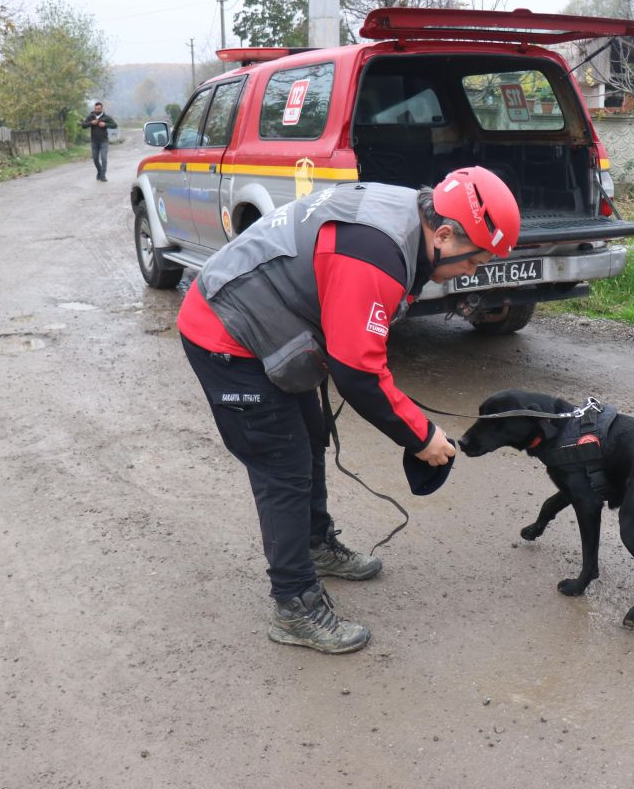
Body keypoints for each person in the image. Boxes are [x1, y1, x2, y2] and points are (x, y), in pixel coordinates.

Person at [177, 167, 521, 654]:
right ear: (443, 233)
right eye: (474, 261)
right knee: (284, 467)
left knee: (310, 437)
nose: (472, 272)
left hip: (272, 325)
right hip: (227, 335)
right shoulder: (375, 253)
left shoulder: (408, 211)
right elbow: (357, 372)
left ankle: (315, 545)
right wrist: (420, 437)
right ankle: (294, 606)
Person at [80, 102, 117, 182]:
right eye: (95, 109)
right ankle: (99, 171)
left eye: (98, 109)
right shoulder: (91, 116)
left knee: (103, 158)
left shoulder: (106, 117)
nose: (97, 110)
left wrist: (105, 124)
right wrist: (91, 123)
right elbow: (83, 125)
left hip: (104, 141)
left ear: (102, 109)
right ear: (94, 108)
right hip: (94, 141)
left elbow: (114, 125)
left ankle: (103, 175)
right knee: (95, 159)